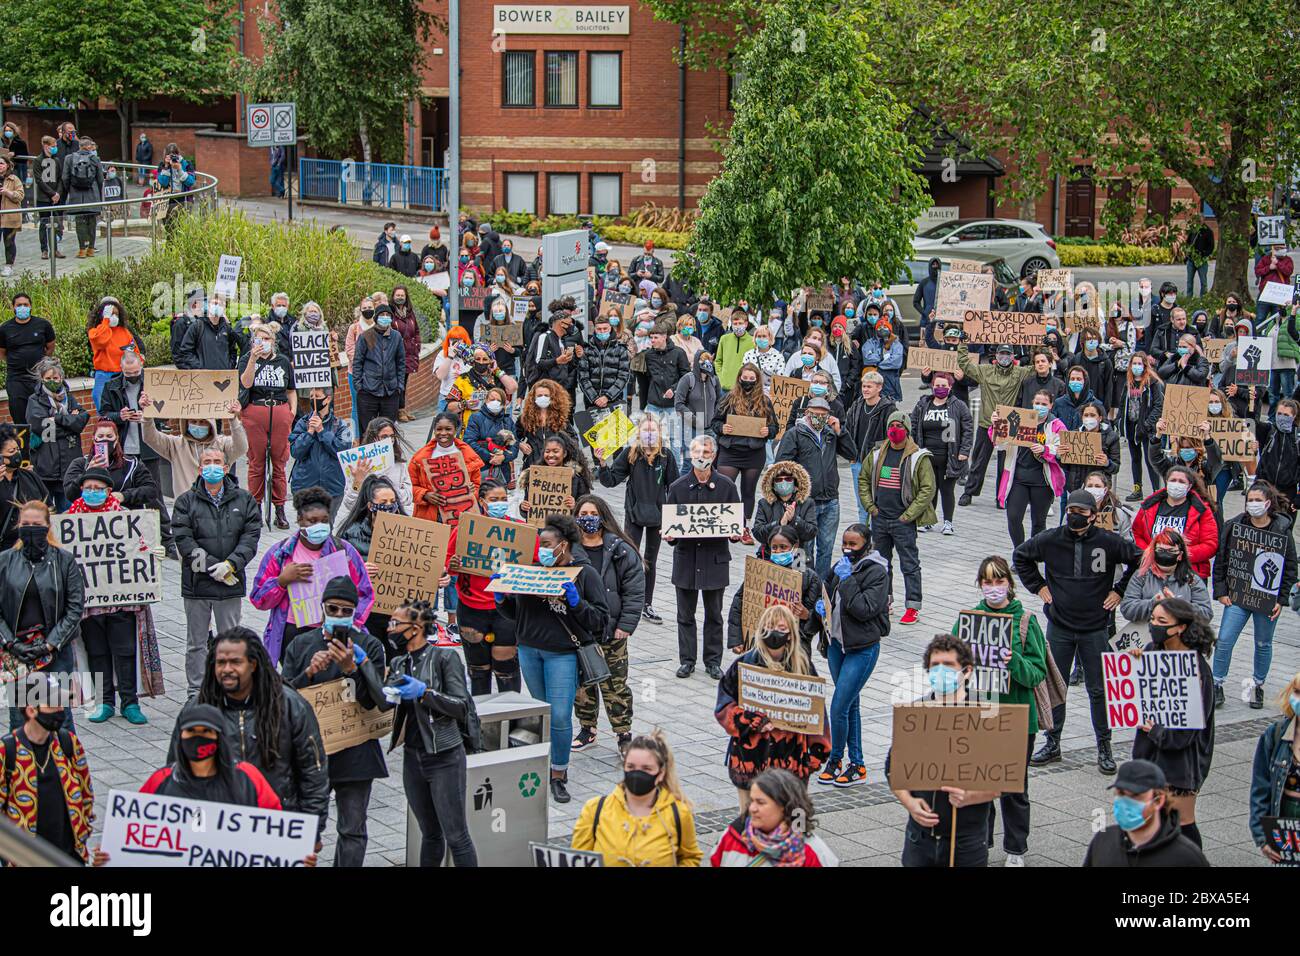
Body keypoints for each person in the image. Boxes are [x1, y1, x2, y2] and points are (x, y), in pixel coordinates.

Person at [1015, 489, 1141, 773]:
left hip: (1095, 628)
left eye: (1081, 513)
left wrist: (1119, 591)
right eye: (1071, 511)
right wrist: (1039, 586)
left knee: (1099, 690)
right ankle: (1053, 742)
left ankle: (1104, 746)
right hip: (1059, 626)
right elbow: (1021, 556)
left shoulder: (1109, 542)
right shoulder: (1051, 539)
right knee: (1056, 687)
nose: (1074, 516)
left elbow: (1138, 559)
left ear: (1093, 516)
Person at [495, 514, 609, 804]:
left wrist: (576, 602)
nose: (541, 549)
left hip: (563, 655)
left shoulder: (584, 575)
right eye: (539, 544)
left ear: (564, 546)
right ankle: (540, 760)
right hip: (530, 650)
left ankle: (558, 773)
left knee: (559, 715)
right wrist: (503, 598)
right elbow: (516, 615)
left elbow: (599, 619)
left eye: (547, 544)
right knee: (542, 713)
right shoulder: (530, 571)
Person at [281, 575, 391, 867]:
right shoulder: (301, 644)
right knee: (303, 829)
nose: (339, 616)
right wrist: (308, 672)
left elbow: (376, 701)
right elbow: (282, 698)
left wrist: (351, 669)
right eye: (333, 609)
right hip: (311, 754)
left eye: (346, 610)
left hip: (356, 754)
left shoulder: (370, 646)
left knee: (352, 830)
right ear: (322, 609)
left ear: (355, 612)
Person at [187, 627, 330, 836]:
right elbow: (179, 775)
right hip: (216, 829)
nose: (226, 669)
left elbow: (313, 773)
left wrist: (312, 830)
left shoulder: (291, 706)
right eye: (220, 663)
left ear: (253, 664)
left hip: (277, 827)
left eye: (235, 662)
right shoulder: (196, 712)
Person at [955, 556, 1049, 866]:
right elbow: (950, 659)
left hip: (1017, 719)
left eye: (999, 581)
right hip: (979, 715)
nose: (993, 588)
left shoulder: (1025, 622)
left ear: (1009, 583)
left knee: (1013, 787)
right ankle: (981, 840)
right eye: (987, 582)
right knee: (980, 783)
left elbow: (1036, 673)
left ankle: (1015, 849)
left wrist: (1014, 663)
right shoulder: (970, 620)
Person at [886, 634, 997, 867]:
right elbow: (893, 769)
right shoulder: (915, 714)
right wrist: (909, 803)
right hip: (920, 839)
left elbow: (1002, 780)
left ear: (966, 671)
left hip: (967, 841)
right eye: (935, 665)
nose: (940, 671)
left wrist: (971, 797)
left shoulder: (986, 715)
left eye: (948, 665)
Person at [384, 597, 479, 867]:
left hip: (444, 757)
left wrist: (425, 693)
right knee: (430, 834)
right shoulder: (401, 662)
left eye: (395, 623)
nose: (390, 628)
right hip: (413, 757)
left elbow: (461, 706)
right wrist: (361, 665)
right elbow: (382, 701)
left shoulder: (445, 657)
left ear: (414, 628)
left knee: (457, 836)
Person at [64, 467, 161, 724]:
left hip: (121, 601)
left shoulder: (125, 517)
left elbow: (142, 547)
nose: (92, 493)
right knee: (97, 650)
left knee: (124, 650)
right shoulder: (69, 519)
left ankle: (130, 703)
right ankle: (105, 702)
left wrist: (153, 552)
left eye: (98, 489)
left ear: (109, 492)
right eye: (88, 489)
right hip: (89, 602)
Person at [715, 605, 830, 811]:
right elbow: (724, 706)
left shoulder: (803, 668)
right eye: (769, 627)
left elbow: (817, 714)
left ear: (790, 634)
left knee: (793, 824)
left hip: (791, 761)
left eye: (780, 627)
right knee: (750, 821)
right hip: (751, 759)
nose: (774, 632)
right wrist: (752, 721)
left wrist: (816, 755)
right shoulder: (744, 664)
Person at [1124, 596, 1217, 847]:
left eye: (1161, 621)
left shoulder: (1196, 670)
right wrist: (1133, 668)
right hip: (1149, 752)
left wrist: (1155, 730)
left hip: (1181, 762)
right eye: (1153, 619)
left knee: (1182, 821)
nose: (1154, 625)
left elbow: (1187, 732)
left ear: (1181, 627)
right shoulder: (1153, 651)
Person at [171, 445, 261, 695]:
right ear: (200, 469)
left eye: (217, 461)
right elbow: (184, 540)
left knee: (230, 641)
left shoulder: (244, 499)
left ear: (226, 467)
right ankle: (196, 691)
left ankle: (231, 689)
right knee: (196, 643)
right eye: (207, 461)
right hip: (197, 584)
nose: (212, 466)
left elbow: (251, 536)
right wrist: (213, 567)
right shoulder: (185, 502)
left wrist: (231, 564)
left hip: (230, 582)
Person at [250, 486, 374, 665]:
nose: (319, 526)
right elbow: (258, 598)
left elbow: (365, 593)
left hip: (334, 632)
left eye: (324, 520)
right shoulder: (280, 553)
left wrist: (350, 621)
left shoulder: (344, 551)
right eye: (312, 521)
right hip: (291, 631)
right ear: (300, 520)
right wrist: (281, 581)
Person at [1212, 480, 1297, 709]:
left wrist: (1281, 600)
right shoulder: (1234, 526)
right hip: (1238, 597)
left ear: (1268, 503)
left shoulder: (1281, 531)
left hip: (1267, 600)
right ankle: (1216, 684)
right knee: (1225, 640)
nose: (1253, 504)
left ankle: (1257, 685)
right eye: (1250, 500)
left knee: (1263, 643)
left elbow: (1290, 568)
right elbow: (1221, 560)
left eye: (1258, 500)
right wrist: (1221, 592)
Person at [1, 500, 85, 731]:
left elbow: (75, 607)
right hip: (18, 651)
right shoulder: (5, 560)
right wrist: (11, 642)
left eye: (36, 524)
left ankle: (64, 765)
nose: (30, 528)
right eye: (25, 524)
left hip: (55, 651)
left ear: (47, 526)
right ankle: (21, 767)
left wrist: (51, 644)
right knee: (20, 719)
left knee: (59, 716)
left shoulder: (64, 560)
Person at [817, 524, 889, 788]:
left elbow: (864, 608)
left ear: (866, 545)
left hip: (862, 648)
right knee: (850, 705)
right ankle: (857, 764)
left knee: (838, 706)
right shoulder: (839, 565)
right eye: (845, 543)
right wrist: (820, 605)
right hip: (837, 645)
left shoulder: (877, 572)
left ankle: (836, 759)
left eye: (853, 544)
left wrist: (848, 582)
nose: (847, 549)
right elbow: (824, 588)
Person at [571, 495, 645, 753]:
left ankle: (624, 734)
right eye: (583, 513)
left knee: (615, 685)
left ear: (602, 516)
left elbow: (635, 591)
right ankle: (587, 727)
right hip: (580, 631)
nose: (588, 518)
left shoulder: (621, 549)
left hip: (613, 630)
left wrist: (625, 625)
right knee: (583, 684)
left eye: (593, 513)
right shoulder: (569, 549)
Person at [666, 435, 741, 679]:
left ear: (715, 455)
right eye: (697, 451)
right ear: (690, 454)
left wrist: (735, 533)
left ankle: (712, 661)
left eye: (707, 452)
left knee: (714, 615)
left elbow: (734, 524)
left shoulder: (727, 486)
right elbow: (673, 528)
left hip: (714, 560)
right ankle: (687, 660)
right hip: (686, 560)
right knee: (684, 615)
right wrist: (670, 536)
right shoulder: (677, 487)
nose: (701, 456)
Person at [0, 673, 95, 862]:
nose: (61, 710)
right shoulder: (7, 750)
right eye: (53, 704)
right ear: (31, 711)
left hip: (69, 855)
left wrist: (82, 836)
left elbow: (86, 793)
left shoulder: (68, 742)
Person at [595, 412, 679, 625]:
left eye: (653, 430)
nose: (649, 433)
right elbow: (611, 480)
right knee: (627, 557)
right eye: (645, 429)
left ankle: (647, 604)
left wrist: (673, 520)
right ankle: (624, 600)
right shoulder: (630, 454)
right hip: (634, 515)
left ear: (659, 433)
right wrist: (603, 464)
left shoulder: (666, 456)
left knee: (650, 561)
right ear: (638, 432)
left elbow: (675, 487)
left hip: (657, 517)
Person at [572, 730, 701, 866]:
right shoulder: (595, 810)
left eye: (646, 768)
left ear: (661, 773)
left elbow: (690, 857)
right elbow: (578, 859)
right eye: (631, 767)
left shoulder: (679, 813)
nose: (637, 773)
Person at [858, 410, 935, 625]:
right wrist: (870, 507)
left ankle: (912, 606)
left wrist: (908, 516)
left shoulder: (919, 457)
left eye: (899, 427)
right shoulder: (876, 454)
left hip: (903, 522)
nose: (894, 431)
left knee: (909, 564)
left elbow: (928, 489)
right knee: (881, 564)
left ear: (907, 430)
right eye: (892, 426)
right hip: (879, 519)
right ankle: (885, 600)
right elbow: (863, 480)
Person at [445, 480, 523, 693]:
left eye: (504, 499)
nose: (500, 503)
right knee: (478, 670)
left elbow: (531, 561)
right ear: (482, 502)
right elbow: (448, 565)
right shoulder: (466, 528)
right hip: (471, 609)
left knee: (507, 668)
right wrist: (452, 566)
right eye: (494, 500)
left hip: (505, 611)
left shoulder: (518, 530)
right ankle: (480, 722)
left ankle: (514, 720)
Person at [776, 397, 858, 576]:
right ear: (807, 413)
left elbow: (852, 454)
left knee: (826, 549)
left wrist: (840, 432)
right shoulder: (795, 433)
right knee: (802, 548)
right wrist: (792, 493)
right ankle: (799, 583)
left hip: (830, 499)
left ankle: (820, 588)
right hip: (805, 501)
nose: (819, 418)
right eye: (815, 414)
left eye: (823, 415)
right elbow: (782, 465)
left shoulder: (830, 433)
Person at [1081, 759, 1209, 866]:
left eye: (1136, 795)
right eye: (1120, 793)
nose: (1126, 803)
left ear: (1158, 801)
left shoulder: (1187, 858)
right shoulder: (1103, 841)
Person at [956, 342, 1035, 507]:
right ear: (996, 355)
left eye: (1008, 354)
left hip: (1007, 427)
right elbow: (964, 364)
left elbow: (1038, 368)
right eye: (1002, 354)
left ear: (1013, 357)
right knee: (978, 461)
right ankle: (969, 492)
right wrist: (963, 345)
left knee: (1004, 464)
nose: (1004, 357)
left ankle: (1001, 496)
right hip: (987, 424)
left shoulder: (1019, 373)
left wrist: (1040, 346)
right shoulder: (985, 371)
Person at [726, 525, 824, 656]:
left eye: (783, 547)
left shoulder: (809, 578)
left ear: (795, 547)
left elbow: (819, 619)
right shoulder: (759, 571)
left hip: (795, 649)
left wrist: (807, 615)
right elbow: (740, 603)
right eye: (774, 547)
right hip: (760, 643)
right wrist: (737, 639)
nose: (778, 551)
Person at [710, 767, 837, 867]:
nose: (752, 809)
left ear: (784, 806)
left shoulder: (813, 852)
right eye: (752, 801)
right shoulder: (732, 837)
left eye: (760, 802)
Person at [238, 321, 297, 528]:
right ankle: (255, 507)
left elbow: (291, 389)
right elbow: (245, 383)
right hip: (256, 411)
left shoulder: (282, 361)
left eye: (267, 339)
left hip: (279, 410)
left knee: (279, 462)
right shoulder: (246, 359)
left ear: (273, 341)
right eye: (259, 339)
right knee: (256, 462)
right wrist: (253, 358)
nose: (263, 343)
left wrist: (292, 412)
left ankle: (279, 508)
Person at [992, 390, 1067, 549]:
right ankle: (1020, 553)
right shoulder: (1020, 420)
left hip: (1042, 481)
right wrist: (996, 425)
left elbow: (1063, 450)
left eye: (1044, 404)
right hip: (1018, 479)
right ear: (1032, 404)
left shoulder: (1056, 425)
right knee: (1013, 517)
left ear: (1051, 406)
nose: (1040, 407)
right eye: (1037, 403)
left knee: (1038, 522)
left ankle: (1033, 554)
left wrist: (1045, 449)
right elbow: (1000, 444)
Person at [140, 401, 248, 505]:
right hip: (186, 507)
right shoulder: (176, 444)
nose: (197, 425)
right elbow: (150, 438)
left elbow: (242, 447)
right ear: (186, 424)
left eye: (202, 422)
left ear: (211, 424)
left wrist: (234, 420)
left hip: (218, 505)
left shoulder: (222, 443)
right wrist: (147, 416)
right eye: (193, 422)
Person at [712, 363, 778, 523]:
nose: (748, 381)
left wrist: (768, 431)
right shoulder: (728, 398)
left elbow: (775, 427)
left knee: (748, 491)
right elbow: (714, 422)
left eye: (752, 378)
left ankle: (743, 525)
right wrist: (722, 428)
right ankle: (723, 522)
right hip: (730, 451)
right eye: (745, 378)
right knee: (724, 488)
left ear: (757, 381)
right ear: (739, 378)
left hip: (754, 453)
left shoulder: (764, 401)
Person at [910, 369, 972, 535]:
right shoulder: (923, 404)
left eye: (943, 385)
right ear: (932, 386)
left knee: (946, 490)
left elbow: (967, 429)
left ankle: (948, 522)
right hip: (926, 456)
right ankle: (928, 520)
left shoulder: (958, 406)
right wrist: (913, 448)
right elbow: (914, 425)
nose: (940, 388)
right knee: (929, 489)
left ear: (950, 387)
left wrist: (964, 451)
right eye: (937, 385)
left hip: (949, 456)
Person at [1131, 464, 1219, 581]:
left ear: (1189, 487)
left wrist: (1179, 555)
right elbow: (1137, 533)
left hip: (1188, 572)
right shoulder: (1149, 506)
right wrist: (1151, 553)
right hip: (1152, 570)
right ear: (1166, 482)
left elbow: (1210, 544)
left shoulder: (1201, 510)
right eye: (1173, 480)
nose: (1176, 484)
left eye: (1181, 481)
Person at [1249, 672, 1300, 862]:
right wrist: (1263, 838)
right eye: (1296, 692)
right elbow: (1260, 788)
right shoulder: (1276, 734)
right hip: (1286, 828)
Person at [26, 357, 88, 511]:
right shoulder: (34, 400)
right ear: (42, 378)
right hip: (45, 467)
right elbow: (42, 428)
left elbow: (81, 421)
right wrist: (69, 423)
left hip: (69, 467)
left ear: (61, 377)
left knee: (68, 513)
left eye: (55, 378)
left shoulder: (70, 398)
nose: (52, 381)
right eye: (48, 378)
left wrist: (57, 418)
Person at [0, 293, 56, 456]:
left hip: (38, 378)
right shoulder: (5, 329)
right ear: (13, 307)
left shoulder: (43, 325)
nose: (22, 308)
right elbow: (2, 352)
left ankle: (49, 454)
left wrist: (42, 364)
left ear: (31, 306)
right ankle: (25, 457)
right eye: (19, 305)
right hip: (16, 379)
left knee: (46, 415)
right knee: (20, 418)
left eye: (25, 304)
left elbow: (50, 347)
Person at [1121, 529, 1214, 624]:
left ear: (1180, 555)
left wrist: (1178, 606)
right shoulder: (1141, 576)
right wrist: (1153, 603)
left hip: (1179, 635)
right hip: (1148, 633)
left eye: (1171, 551)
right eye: (1161, 550)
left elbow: (1206, 613)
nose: (1165, 554)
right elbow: (1127, 608)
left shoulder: (1192, 580)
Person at [411, 411, 484, 526]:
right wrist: (425, 495)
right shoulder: (419, 459)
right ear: (434, 430)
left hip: (459, 516)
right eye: (439, 429)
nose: (443, 433)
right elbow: (410, 486)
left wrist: (471, 490)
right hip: (429, 516)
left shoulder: (469, 457)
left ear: (455, 430)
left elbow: (478, 486)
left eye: (448, 429)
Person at [289, 388, 353, 517]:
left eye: (317, 396)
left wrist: (322, 431)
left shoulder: (340, 425)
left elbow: (342, 452)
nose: (313, 399)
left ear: (328, 399)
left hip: (332, 488)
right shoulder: (302, 423)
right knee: (307, 528)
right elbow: (295, 451)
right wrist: (309, 433)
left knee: (326, 529)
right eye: (311, 395)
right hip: (305, 487)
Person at [845, 371, 896, 523]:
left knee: (882, 501)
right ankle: (863, 537)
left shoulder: (889, 409)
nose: (865, 389)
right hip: (859, 463)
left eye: (869, 386)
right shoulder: (857, 405)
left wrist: (884, 457)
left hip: (883, 465)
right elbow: (847, 431)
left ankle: (879, 539)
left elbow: (893, 439)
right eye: (864, 386)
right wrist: (851, 455)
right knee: (862, 503)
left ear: (879, 388)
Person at [338, 417, 414, 517]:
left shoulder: (399, 464)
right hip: (366, 520)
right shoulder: (360, 465)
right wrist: (357, 481)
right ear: (373, 438)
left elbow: (408, 498)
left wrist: (389, 487)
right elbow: (350, 504)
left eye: (392, 436)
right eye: (384, 437)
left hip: (393, 519)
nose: (390, 440)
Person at [352, 305, 407, 435]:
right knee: (368, 430)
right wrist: (359, 386)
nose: (385, 318)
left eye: (388, 316)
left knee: (388, 430)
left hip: (390, 392)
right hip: (368, 391)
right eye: (382, 315)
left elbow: (401, 363)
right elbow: (357, 362)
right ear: (376, 317)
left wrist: (399, 386)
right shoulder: (366, 336)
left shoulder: (396, 336)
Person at [1121, 352, 1167, 500]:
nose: (1136, 367)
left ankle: (1155, 491)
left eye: (1139, 364)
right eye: (1134, 364)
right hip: (1131, 425)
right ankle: (1137, 488)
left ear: (1145, 365)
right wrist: (1120, 421)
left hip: (1147, 427)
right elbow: (1123, 402)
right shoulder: (1128, 382)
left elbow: (1158, 405)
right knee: (1135, 458)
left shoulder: (1152, 382)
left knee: (1150, 459)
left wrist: (1147, 424)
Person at [86, 297, 144, 411]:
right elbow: (101, 341)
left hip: (122, 374)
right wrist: (106, 322)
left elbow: (134, 352)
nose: (114, 317)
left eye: (116, 314)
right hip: (104, 375)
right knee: (102, 405)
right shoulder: (95, 331)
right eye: (110, 314)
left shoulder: (124, 332)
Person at [751, 461, 816, 560]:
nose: (783, 482)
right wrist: (779, 523)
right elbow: (758, 533)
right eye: (779, 480)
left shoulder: (807, 503)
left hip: (798, 554)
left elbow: (811, 532)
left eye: (788, 479)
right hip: (771, 554)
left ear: (796, 484)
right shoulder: (764, 503)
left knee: (800, 575)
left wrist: (795, 520)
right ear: (773, 485)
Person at [513, 378, 578, 471]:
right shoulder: (525, 418)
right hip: (533, 465)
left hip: (556, 466)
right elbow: (513, 436)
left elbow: (573, 440)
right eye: (539, 395)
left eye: (546, 395)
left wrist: (562, 451)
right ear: (533, 398)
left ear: (552, 398)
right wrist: (520, 445)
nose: (542, 398)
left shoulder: (561, 418)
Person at [0, 425, 48, 548]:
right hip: (5, 548)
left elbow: (47, 504)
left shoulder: (29, 476)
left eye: (17, 449)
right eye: (11, 452)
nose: (17, 454)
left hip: (34, 543)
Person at [175, 291, 247, 372]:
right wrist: (199, 367)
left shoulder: (227, 328)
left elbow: (232, 351)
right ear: (208, 305)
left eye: (221, 304)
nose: (218, 306)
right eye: (215, 303)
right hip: (204, 378)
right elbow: (185, 351)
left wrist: (229, 366)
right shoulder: (197, 326)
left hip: (223, 378)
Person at [61, 136, 102, 258]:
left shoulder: (69, 158)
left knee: (80, 222)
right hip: (92, 193)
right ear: (89, 147)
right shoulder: (95, 158)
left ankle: (82, 249)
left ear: (79, 146)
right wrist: (97, 191)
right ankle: (91, 249)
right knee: (92, 222)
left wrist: (70, 189)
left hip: (76, 193)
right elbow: (100, 179)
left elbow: (65, 177)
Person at [33, 137, 66, 260]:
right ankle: (44, 250)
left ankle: (55, 248)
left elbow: (60, 179)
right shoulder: (38, 160)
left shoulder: (56, 160)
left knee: (55, 223)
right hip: (44, 198)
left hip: (55, 198)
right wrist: (51, 193)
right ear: (46, 146)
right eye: (52, 145)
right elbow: (39, 180)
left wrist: (57, 193)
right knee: (44, 223)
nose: (54, 147)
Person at [0, 156, 20, 278]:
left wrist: (7, 192)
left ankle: (9, 266)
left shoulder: (14, 179)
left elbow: (20, 196)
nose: (0, 166)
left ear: (7, 165)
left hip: (9, 216)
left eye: (1, 163)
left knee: (9, 242)